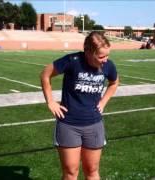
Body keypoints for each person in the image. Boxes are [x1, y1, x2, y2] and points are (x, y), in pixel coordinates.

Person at [40, 31, 119, 180]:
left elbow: (114, 82)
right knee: (71, 172)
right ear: (88, 52)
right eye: (101, 56)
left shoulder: (108, 65)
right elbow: (45, 74)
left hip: (94, 124)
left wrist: (103, 101)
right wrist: (50, 101)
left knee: (92, 170)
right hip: (69, 124)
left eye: (107, 55)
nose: (105, 60)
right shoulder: (72, 60)